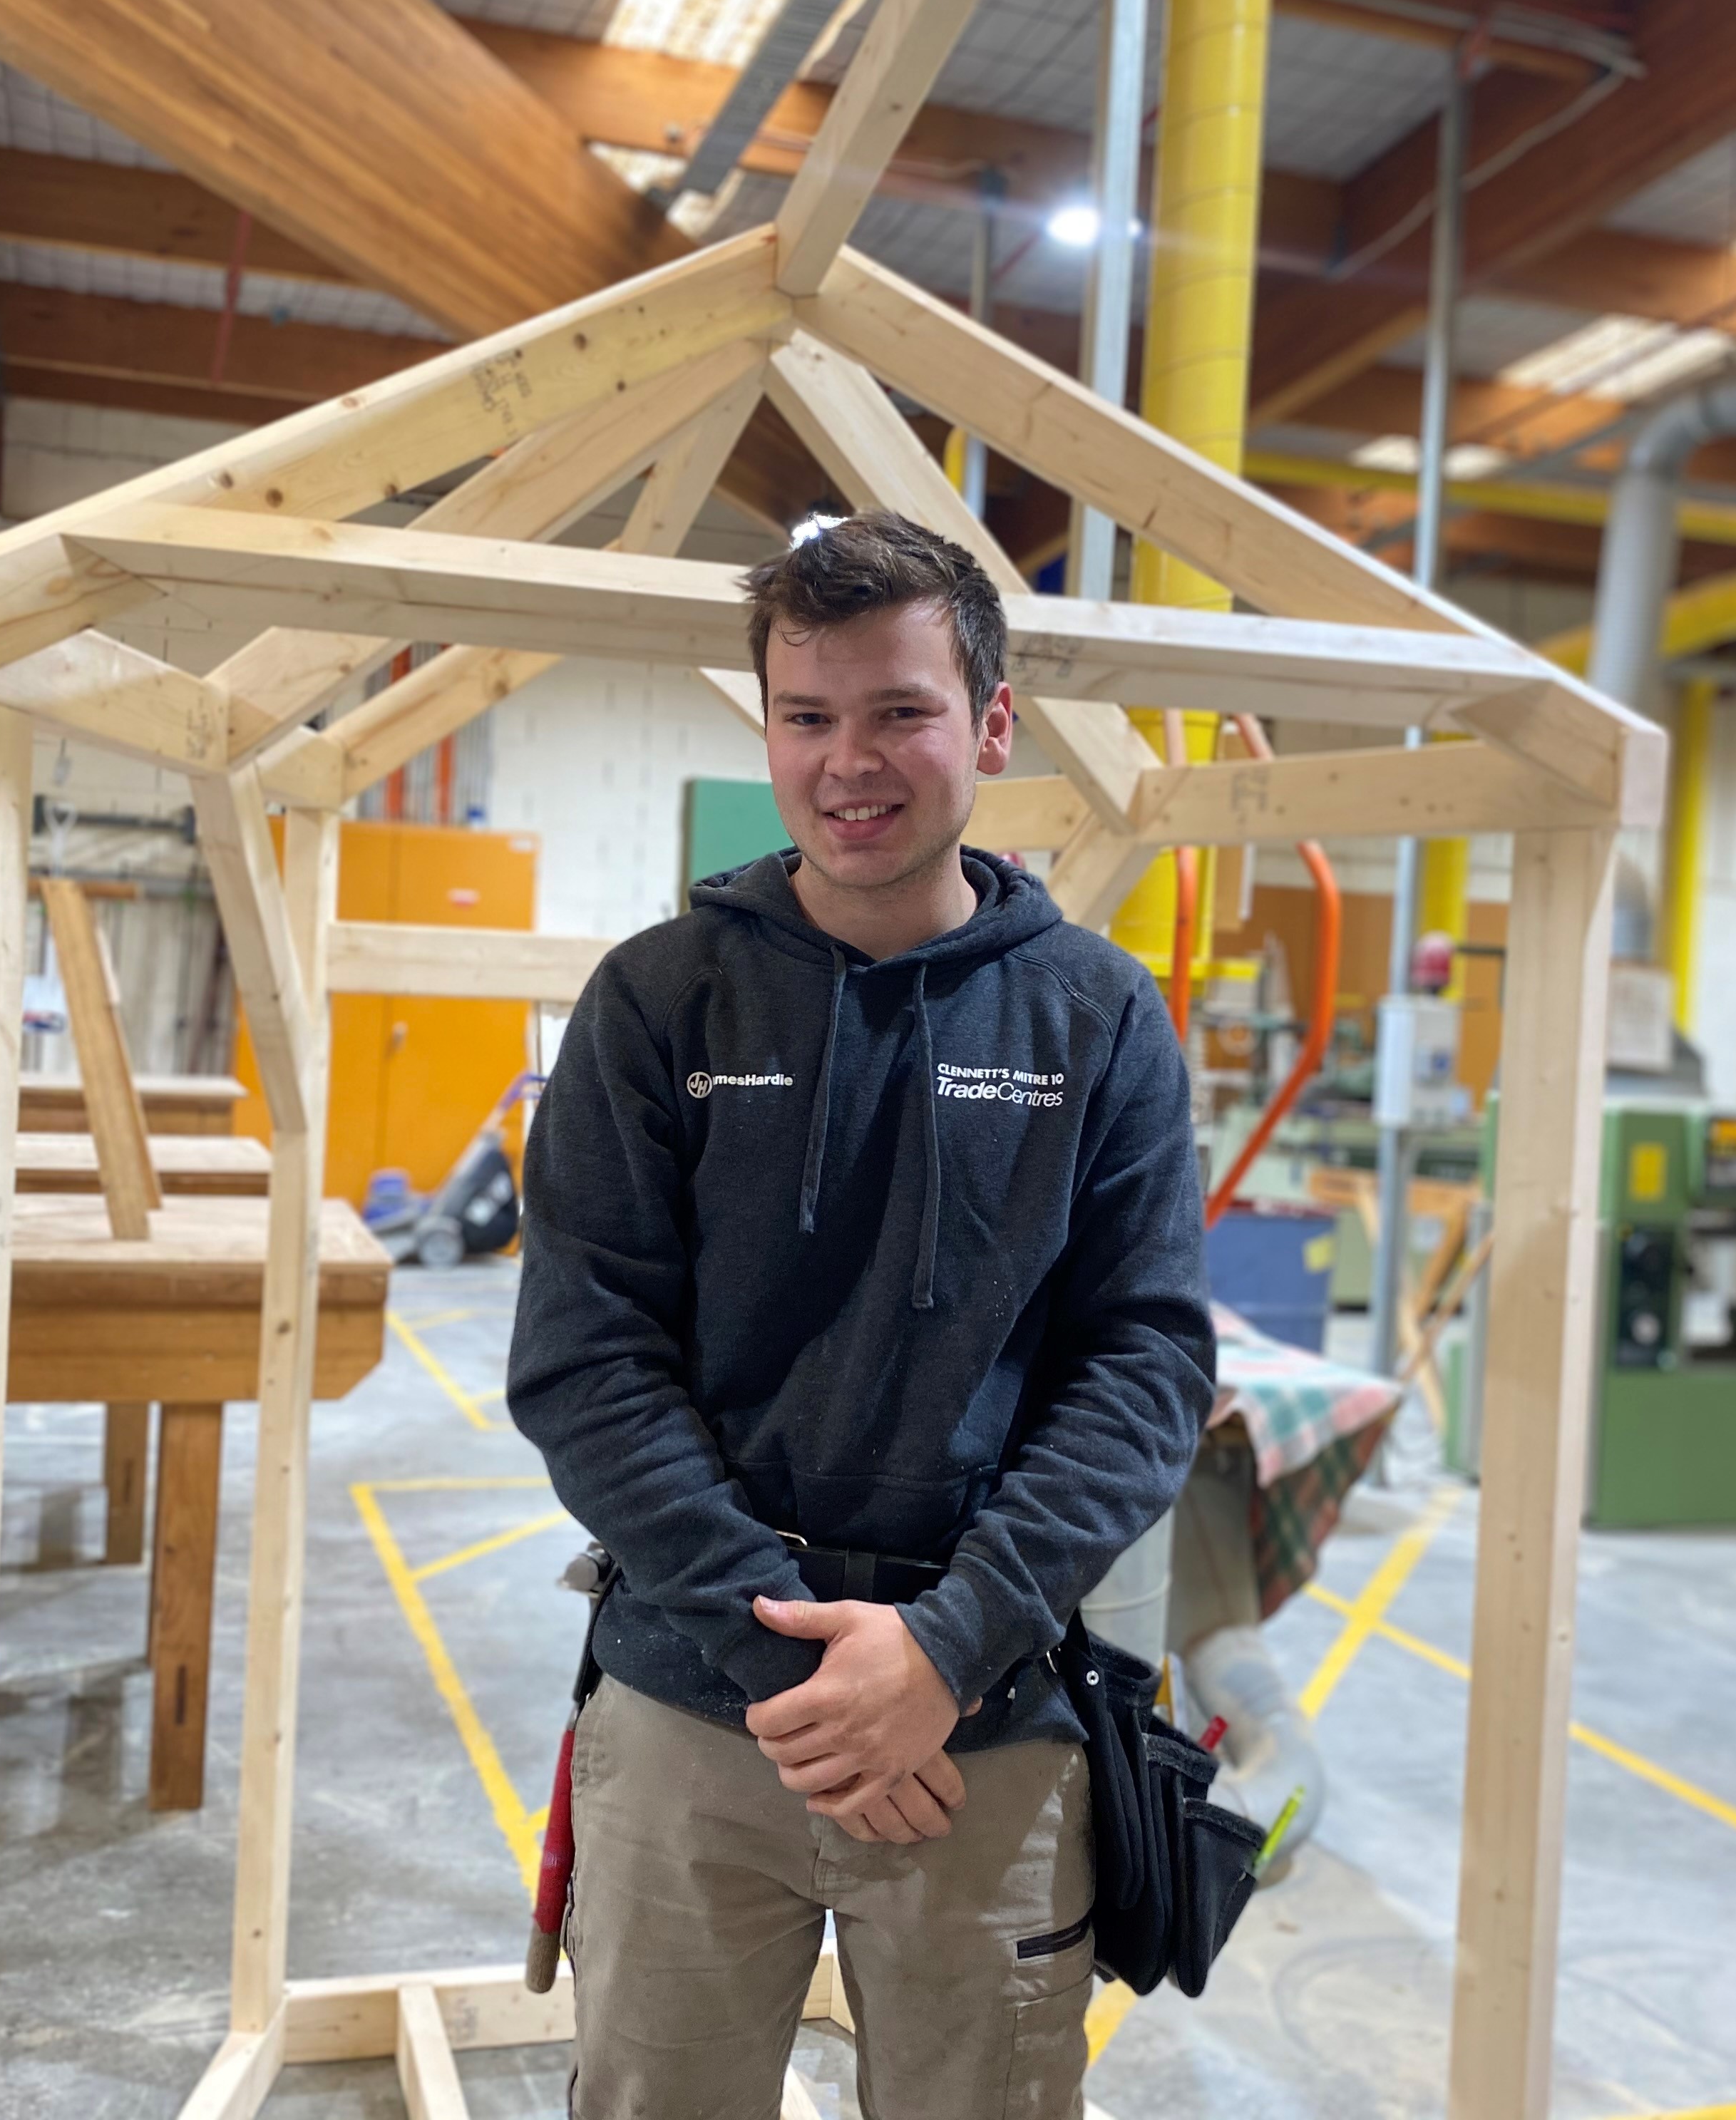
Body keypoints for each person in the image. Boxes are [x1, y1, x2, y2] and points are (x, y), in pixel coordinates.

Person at [508, 508, 1214, 2119]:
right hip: (696, 1706)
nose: (850, 763)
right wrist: (795, 1674)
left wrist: (944, 1651)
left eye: (901, 711)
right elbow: (584, 1364)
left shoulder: (1098, 1017)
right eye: (806, 717)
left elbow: (1145, 1368)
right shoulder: (658, 999)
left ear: (991, 724)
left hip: (987, 1728)